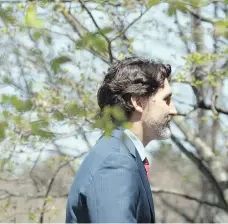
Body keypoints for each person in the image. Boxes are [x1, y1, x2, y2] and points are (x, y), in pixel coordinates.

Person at [65, 57, 178, 223]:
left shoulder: (119, 154)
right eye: (166, 100)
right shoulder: (116, 162)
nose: (173, 110)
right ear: (138, 102)